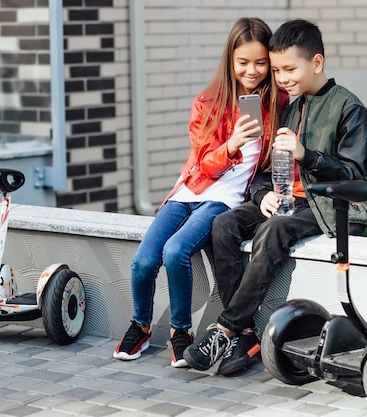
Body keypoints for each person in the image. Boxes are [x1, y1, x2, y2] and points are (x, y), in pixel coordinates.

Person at [184, 18, 367, 375]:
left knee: (273, 230)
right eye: (277, 70)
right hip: (287, 200)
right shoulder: (290, 107)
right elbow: (262, 171)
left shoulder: (350, 110)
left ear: (316, 63)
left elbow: (355, 177)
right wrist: (260, 198)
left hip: (332, 206)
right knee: (224, 223)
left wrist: (308, 155)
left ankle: (225, 328)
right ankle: (245, 335)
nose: (282, 77)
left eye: (290, 68)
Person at [113, 17, 288, 368]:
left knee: (177, 250)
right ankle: (141, 324)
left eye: (260, 62)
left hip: (224, 199)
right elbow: (203, 165)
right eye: (243, 62)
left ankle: (181, 332)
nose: (251, 70)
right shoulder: (208, 102)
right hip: (192, 188)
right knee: (145, 259)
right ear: (230, 60)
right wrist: (233, 143)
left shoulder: (278, 103)